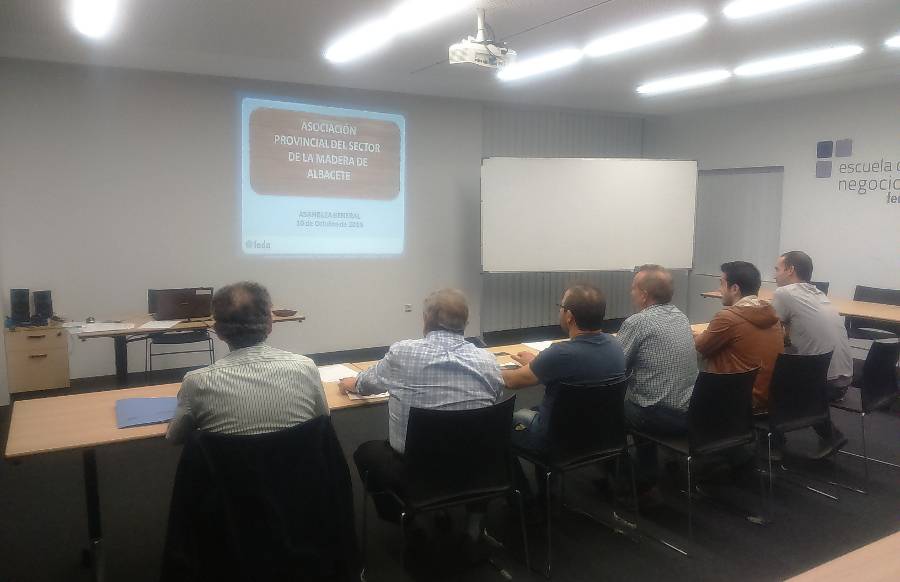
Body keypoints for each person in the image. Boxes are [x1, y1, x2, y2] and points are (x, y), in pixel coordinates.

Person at [341, 289, 503, 542]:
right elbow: (494, 400)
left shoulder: (403, 353)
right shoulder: (489, 360)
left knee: (366, 453)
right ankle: (474, 528)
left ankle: (411, 523)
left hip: (415, 471)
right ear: (466, 322)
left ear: (427, 319)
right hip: (477, 468)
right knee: (474, 438)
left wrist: (349, 382)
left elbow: (364, 385)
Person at [167, 281, 329, 444]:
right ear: (270, 326)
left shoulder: (195, 383)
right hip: (298, 460)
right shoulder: (306, 367)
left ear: (218, 332)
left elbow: (174, 438)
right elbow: (323, 419)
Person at [501, 284, 626, 453]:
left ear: (569, 316)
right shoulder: (616, 346)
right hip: (603, 435)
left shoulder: (559, 354)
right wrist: (537, 362)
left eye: (561, 307)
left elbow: (511, 381)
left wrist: (482, 365)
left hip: (555, 441)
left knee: (505, 421)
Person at [616, 265, 697, 499]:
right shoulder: (681, 317)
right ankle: (649, 472)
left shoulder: (637, 323)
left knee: (608, 410)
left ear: (644, 295)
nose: (631, 292)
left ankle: (632, 480)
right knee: (643, 399)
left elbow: (615, 367)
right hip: (692, 413)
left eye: (633, 288)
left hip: (659, 416)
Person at [771, 251, 852, 458]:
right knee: (793, 369)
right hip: (844, 377)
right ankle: (830, 434)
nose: (774, 275)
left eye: (777, 269)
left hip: (823, 383)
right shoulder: (818, 294)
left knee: (766, 382)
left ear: (790, 270)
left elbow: (769, 333)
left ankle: (773, 444)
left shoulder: (784, 293)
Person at [694, 261, 783, 411]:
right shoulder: (773, 317)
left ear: (735, 288)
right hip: (768, 399)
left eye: (721, 283)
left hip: (737, 401)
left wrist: (696, 336)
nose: (719, 289)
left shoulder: (727, 318)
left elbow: (699, 348)